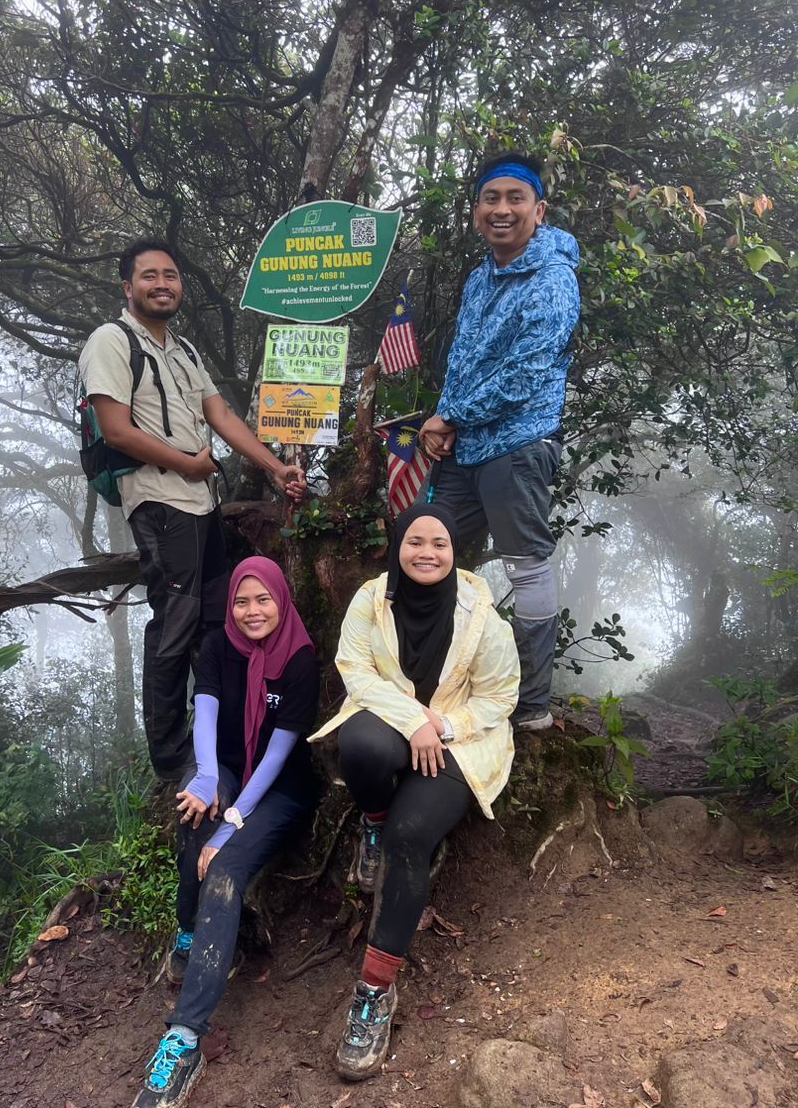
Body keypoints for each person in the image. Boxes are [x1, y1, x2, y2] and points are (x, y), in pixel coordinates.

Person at [79, 239, 306, 778]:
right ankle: (171, 757)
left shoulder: (182, 349)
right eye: (149, 276)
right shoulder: (110, 342)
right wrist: (186, 464)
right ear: (127, 286)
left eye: (171, 276)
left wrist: (275, 468)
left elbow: (221, 415)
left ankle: (217, 738)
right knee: (175, 623)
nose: (162, 284)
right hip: (160, 501)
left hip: (201, 503)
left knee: (212, 621)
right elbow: (115, 429)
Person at [310, 502, 519, 1082]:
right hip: (396, 721)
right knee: (363, 749)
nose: (427, 553)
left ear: (456, 554)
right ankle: (370, 820)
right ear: (398, 546)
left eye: (440, 544)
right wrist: (415, 721)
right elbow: (356, 670)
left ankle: (375, 990)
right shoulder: (371, 600)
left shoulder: (481, 616)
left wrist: (443, 727)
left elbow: (500, 698)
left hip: (462, 739)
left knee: (412, 836)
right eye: (415, 542)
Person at [132, 557, 320, 1108]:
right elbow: (207, 717)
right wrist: (211, 779)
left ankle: (184, 1036)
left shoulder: (300, 658)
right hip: (230, 767)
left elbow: (281, 752)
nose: (252, 611)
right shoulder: (217, 646)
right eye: (242, 600)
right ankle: (188, 933)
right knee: (196, 807)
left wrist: (232, 824)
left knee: (223, 871)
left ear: (281, 601)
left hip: (279, 787)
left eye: (263, 600)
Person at [418, 152, 580, 732]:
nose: (502, 209)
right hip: (466, 447)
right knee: (427, 556)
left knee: (527, 567)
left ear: (538, 211)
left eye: (516, 199)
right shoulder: (479, 276)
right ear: (477, 212)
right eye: (491, 199)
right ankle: (434, 688)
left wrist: (450, 416)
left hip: (517, 444)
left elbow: (528, 373)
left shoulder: (553, 277)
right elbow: (463, 363)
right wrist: (445, 418)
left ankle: (532, 706)